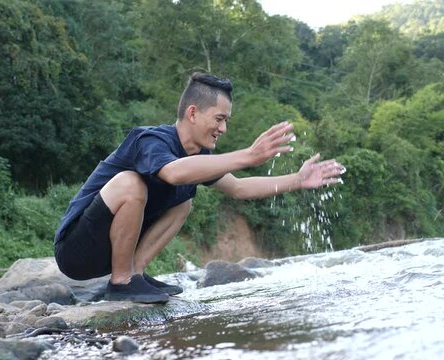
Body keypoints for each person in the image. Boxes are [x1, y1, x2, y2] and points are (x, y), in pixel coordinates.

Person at [53, 72, 343, 304]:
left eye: (226, 120)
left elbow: (238, 188)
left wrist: (298, 180)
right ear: (192, 113)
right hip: (76, 251)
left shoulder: (199, 156)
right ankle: (121, 282)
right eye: (219, 119)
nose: (224, 128)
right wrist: (248, 155)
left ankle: (135, 273)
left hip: (108, 252)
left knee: (184, 202)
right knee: (131, 184)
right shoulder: (149, 140)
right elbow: (173, 173)